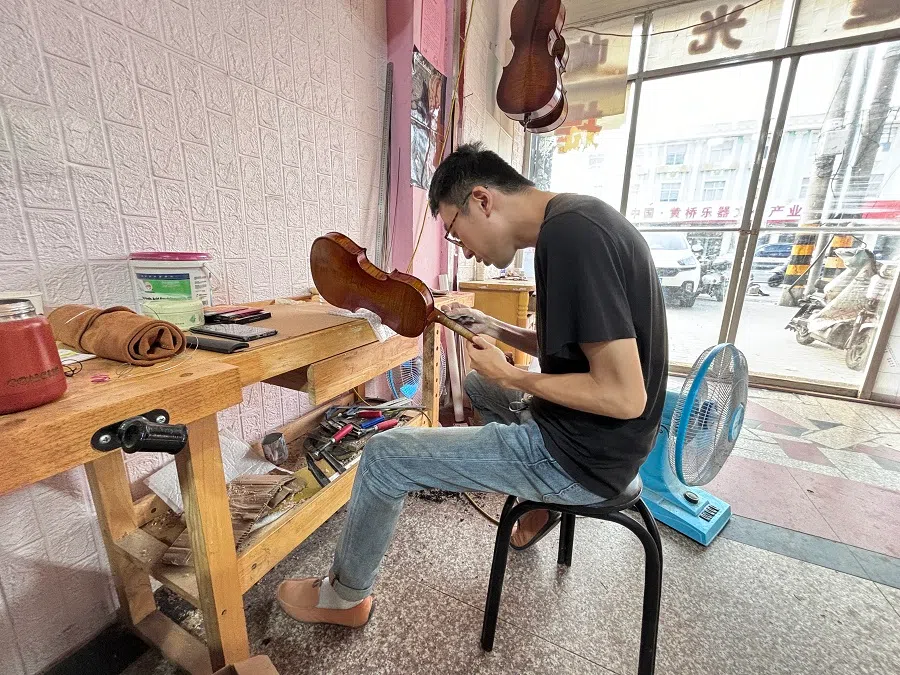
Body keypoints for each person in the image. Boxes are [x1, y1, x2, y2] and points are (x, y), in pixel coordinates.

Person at [276, 143, 668, 628]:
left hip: (581, 457)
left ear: (482, 200)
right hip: (601, 441)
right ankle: (542, 506)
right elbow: (574, 344)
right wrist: (497, 329)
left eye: (457, 233)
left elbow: (625, 397)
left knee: (384, 456)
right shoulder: (575, 220)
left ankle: (344, 597)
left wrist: (513, 374)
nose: (466, 250)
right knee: (480, 389)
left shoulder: (570, 238)